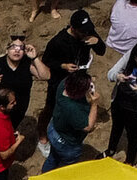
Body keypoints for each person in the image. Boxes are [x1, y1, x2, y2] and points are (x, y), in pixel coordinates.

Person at [38, 10, 106, 156]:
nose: (85, 34)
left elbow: (102, 50)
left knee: (78, 106)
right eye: (82, 32)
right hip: (59, 80)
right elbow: (46, 62)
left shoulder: (89, 33)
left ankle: (68, 132)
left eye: (87, 30)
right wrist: (63, 66)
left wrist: (97, 41)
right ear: (73, 28)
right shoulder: (58, 41)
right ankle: (43, 137)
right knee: (50, 108)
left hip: (79, 78)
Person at [0, 35, 48, 129]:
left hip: (17, 111)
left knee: (9, 136)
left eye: (21, 48)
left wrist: (35, 58)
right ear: (7, 50)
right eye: (13, 47)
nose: (17, 50)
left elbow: (46, 76)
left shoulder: (27, 64)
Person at [42, 70, 99, 172]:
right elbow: (88, 126)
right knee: (66, 169)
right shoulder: (71, 108)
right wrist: (94, 104)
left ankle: (44, 174)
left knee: (53, 157)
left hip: (53, 129)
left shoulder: (64, 84)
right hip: (66, 143)